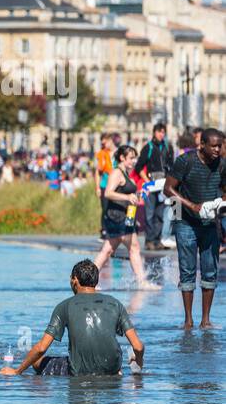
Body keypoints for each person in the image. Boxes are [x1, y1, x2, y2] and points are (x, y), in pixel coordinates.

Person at [0, 259, 144, 377]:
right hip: (112, 369)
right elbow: (138, 346)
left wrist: (17, 371)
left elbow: (42, 348)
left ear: (75, 280)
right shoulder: (115, 303)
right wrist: (138, 361)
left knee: (37, 361)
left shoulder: (65, 306)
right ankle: (114, 371)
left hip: (79, 372)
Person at [162, 127, 226, 328]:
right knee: (188, 270)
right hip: (186, 223)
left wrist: (219, 203)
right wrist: (192, 206)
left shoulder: (222, 165)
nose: (218, 149)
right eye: (214, 146)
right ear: (202, 145)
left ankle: (205, 320)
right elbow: (168, 189)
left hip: (209, 225)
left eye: (220, 145)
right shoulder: (186, 161)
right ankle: (188, 319)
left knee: (210, 271)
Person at [94, 144, 153, 287]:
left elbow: (128, 194)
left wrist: (138, 195)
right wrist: (127, 198)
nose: (134, 161)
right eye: (131, 158)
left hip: (127, 215)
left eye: (135, 158)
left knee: (113, 249)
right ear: (122, 158)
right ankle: (142, 282)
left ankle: (88, 280)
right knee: (125, 249)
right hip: (117, 216)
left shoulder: (125, 173)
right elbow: (108, 193)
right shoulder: (117, 173)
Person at [134, 121, 175, 250]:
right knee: (149, 213)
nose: (161, 134)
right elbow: (138, 166)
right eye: (159, 132)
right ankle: (149, 240)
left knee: (160, 212)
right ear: (154, 132)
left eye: (163, 132)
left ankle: (157, 240)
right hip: (151, 184)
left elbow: (171, 166)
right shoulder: (149, 147)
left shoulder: (168, 147)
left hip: (163, 184)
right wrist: (146, 181)